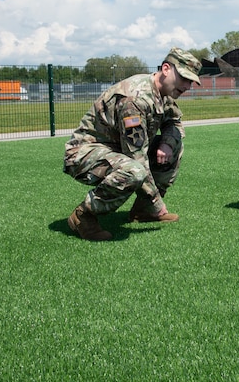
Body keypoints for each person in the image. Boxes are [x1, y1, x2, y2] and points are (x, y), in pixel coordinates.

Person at [63, 48, 202, 241]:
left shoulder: (165, 93)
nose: (187, 86)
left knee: (175, 146)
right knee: (135, 170)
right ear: (166, 68)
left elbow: (174, 122)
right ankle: (83, 216)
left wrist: (167, 144)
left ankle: (144, 211)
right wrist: (156, 201)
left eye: (191, 81)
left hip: (118, 150)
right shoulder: (135, 99)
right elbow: (136, 155)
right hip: (85, 152)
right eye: (184, 78)